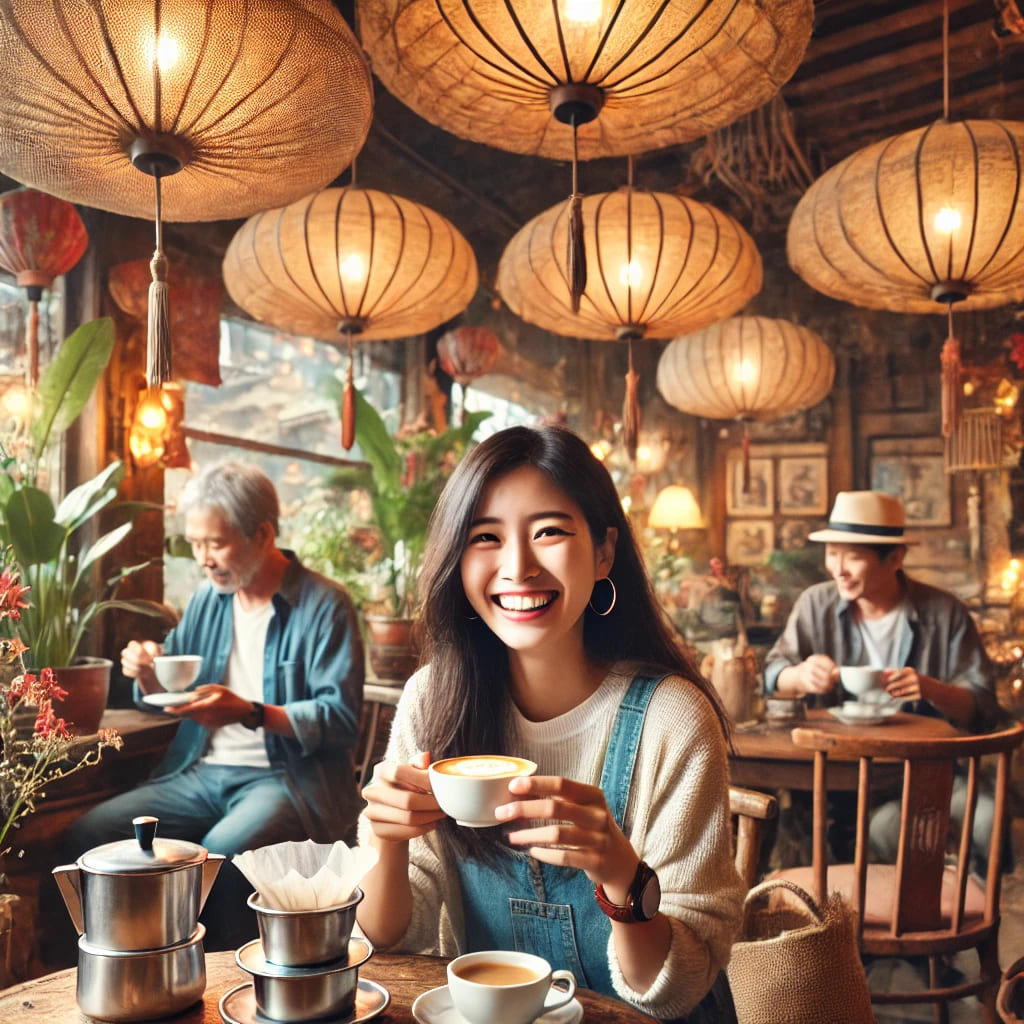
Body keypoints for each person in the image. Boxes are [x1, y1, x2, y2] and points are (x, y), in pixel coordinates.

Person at [356, 425, 744, 1023]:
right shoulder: (433, 701)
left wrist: (619, 871)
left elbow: (675, 991)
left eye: (550, 532)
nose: (518, 566)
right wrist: (385, 840)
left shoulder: (671, 718)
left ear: (604, 552)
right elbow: (388, 941)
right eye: (485, 537)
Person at [64, 460, 365, 949]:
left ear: (263, 533)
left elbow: (341, 719)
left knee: (220, 856)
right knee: (91, 834)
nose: (203, 558)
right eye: (196, 544)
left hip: (284, 778)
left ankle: (216, 982)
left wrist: (250, 711)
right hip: (201, 773)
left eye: (216, 543)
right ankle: (108, 968)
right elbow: (175, 695)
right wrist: (145, 670)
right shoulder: (208, 600)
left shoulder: (324, 604)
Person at [763, 490, 1004, 864]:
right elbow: (773, 672)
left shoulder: (945, 613)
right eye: (832, 554)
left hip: (925, 772)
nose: (837, 568)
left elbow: (984, 708)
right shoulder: (816, 604)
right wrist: (799, 675)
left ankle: (966, 908)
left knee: (988, 820)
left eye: (853, 557)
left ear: (895, 558)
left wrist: (930, 688)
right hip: (837, 773)